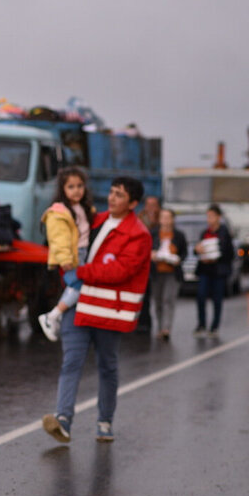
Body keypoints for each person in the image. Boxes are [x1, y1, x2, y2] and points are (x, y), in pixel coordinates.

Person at [41, 177, 151, 444]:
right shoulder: (96, 219)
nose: (112, 198)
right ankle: (63, 420)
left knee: (108, 367)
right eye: (111, 192)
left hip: (108, 311)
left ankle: (105, 421)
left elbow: (119, 271)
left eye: (120, 195)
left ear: (133, 203)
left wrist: (79, 272)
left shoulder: (139, 235)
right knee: (71, 363)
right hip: (79, 307)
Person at [37, 166, 96, 343]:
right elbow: (58, 238)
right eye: (71, 186)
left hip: (83, 253)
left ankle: (57, 316)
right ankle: (52, 316)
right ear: (62, 189)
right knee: (78, 286)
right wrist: (65, 259)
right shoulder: (59, 212)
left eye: (80, 186)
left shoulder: (84, 208)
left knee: (76, 287)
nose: (76, 190)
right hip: (73, 255)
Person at [194, 204, 233, 339]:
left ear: (218, 217)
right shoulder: (204, 233)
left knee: (217, 299)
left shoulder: (224, 233)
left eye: (212, 216)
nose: (209, 219)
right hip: (205, 269)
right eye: (208, 217)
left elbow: (229, 253)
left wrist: (216, 256)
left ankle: (214, 326)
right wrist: (198, 250)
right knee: (201, 296)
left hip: (218, 271)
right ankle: (201, 324)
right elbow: (197, 249)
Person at [150, 208, 187, 341]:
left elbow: (184, 253)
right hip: (156, 272)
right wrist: (152, 255)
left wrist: (177, 259)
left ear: (172, 219)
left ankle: (167, 328)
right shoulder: (153, 233)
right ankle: (160, 327)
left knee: (168, 299)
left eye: (168, 217)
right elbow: (146, 249)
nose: (165, 220)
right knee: (158, 301)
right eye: (163, 217)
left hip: (172, 273)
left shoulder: (178, 235)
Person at [135, 195, 161, 334]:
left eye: (154, 205)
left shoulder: (160, 221)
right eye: (148, 204)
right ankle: (138, 322)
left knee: (153, 296)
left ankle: (147, 322)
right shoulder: (140, 219)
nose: (151, 208)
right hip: (140, 263)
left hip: (155, 265)